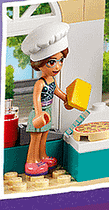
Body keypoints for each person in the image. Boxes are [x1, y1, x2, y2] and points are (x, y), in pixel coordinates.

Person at [21, 20, 73, 175]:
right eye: (52, 62)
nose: (58, 66)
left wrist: (66, 99)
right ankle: (32, 161)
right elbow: (36, 99)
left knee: (44, 135)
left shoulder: (51, 80)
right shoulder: (40, 83)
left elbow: (56, 91)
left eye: (60, 61)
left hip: (48, 112)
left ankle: (42, 156)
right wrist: (39, 114)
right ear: (39, 63)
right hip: (39, 114)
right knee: (36, 138)